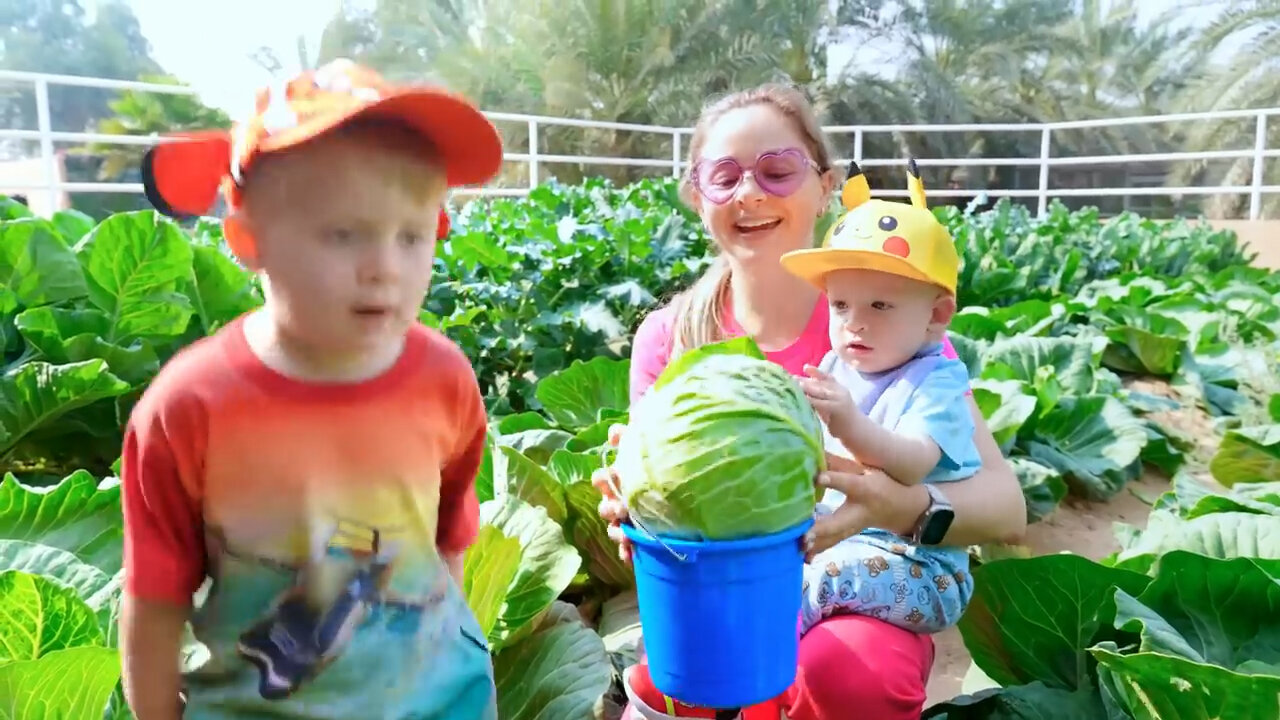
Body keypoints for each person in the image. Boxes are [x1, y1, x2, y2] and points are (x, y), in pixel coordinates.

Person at [592, 83, 1027, 720]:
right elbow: (660, 491)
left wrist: (903, 505)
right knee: (679, 672)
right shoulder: (672, 334)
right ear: (696, 196)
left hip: (860, 596)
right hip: (720, 587)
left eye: (777, 171)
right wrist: (632, 493)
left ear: (825, 186)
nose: (749, 194)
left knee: (850, 673)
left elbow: (1006, 507)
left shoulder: (887, 320)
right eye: (724, 176)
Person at [119, 59, 503, 720]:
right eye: (343, 234)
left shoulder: (446, 379)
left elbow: (449, 543)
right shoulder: (188, 405)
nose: (384, 268)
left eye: (413, 236)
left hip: (444, 703)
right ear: (247, 239)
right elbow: (154, 602)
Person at [780, 160, 977, 637]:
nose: (854, 322)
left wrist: (848, 422)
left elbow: (911, 464)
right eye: (840, 304)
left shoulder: (938, 381)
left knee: (823, 579)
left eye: (880, 305)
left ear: (938, 315)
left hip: (917, 567)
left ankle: (764, 648)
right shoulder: (836, 366)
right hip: (838, 536)